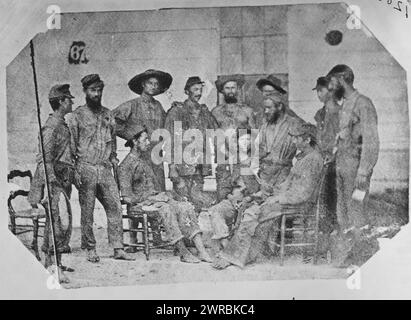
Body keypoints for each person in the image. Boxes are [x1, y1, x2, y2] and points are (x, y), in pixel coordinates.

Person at [212, 123, 323, 270]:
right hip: (288, 201)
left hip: (297, 204)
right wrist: (268, 192)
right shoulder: (304, 158)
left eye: (296, 138)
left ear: (307, 140)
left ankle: (234, 257)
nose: (293, 142)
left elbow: (304, 193)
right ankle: (242, 254)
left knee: (253, 213)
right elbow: (287, 185)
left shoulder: (313, 159)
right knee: (251, 208)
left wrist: (278, 198)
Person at [118, 125, 213, 263]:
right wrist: (151, 198)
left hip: (156, 202)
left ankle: (202, 250)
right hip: (139, 206)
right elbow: (127, 198)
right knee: (166, 209)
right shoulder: (125, 166)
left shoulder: (144, 163)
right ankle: (183, 252)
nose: (148, 142)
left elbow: (153, 189)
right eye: (145, 140)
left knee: (185, 206)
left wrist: (163, 196)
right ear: (134, 141)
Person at [66, 74, 133, 263]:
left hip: (104, 168)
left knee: (115, 206)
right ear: (85, 91)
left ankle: (118, 247)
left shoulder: (108, 114)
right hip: (85, 167)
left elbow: (111, 140)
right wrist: (75, 169)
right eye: (93, 90)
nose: (97, 94)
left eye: (99, 90)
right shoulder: (76, 116)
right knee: (87, 210)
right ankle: (90, 248)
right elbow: (71, 145)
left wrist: (113, 161)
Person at [27, 84, 75, 283]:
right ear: (61, 102)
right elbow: (45, 160)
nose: (72, 102)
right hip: (53, 180)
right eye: (69, 99)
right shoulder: (51, 127)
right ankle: (52, 266)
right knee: (57, 223)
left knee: (60, 222)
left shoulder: (60, 124)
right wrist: (51, 185)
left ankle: (54, 263)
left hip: (62, 178)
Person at [326, 64, 379, 233]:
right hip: (342, 166)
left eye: (333, 82)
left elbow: (371, 141)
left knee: (356, 211)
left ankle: (361, 252)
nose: (331, 87)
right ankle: (347, 252)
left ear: (342, 80)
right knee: (343, 213)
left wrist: (363, 171)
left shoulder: (363, 103)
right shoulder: (344, 105)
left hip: (356, 169)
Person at [112, 69, 173, 191]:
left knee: (159, 194)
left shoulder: (158, 106)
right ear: (143, 84)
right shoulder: (132, 104)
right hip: (140, 156)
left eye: (156, 84)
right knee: (140, 193)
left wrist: (174, 110)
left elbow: (167, 125)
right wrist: (134, 133)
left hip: (157, 157)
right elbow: (111, 121)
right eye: (150, 83)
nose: (153, 86)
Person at [164, 76, 219, 211]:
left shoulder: (205, 112)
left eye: (200, 89)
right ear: (186, 91)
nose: (198, 93)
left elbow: (216, 132)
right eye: (195, 89)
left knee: (197, 202)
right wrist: (171, 167)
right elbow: (170, 139)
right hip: (181, 167)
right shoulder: (177, 111)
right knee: (182, 203)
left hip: (200, 166)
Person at [207, 129, 260, 250]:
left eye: (248, 139)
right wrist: (231, 198)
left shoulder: (257, 160)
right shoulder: (229, 161)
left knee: (248, 217)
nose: (245, 143)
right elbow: (223, 186)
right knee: (216, 211)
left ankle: (241, 249)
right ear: (236, 142)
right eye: (242, 140)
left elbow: (262, 186)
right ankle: (226, 244)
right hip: (233, 200)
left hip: (253, 201)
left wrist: (250, 198)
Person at [212, 74, 256, 201]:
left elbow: (254, 137)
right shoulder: (216, 112)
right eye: (227, 88)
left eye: (233, 88)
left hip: (242, 160)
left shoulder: (247, 111)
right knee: (223, 194)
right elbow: (214, 136)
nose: (231, 91)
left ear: (238, 89)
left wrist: (250, 158)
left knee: (242, 196)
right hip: (223, 159)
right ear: (222, 90)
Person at [251, 95, 301, 195]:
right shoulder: (265, 126)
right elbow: (260, 150)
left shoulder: (293, 123)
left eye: (269, 108)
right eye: (265, 108)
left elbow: (306, 143)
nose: (266, 111)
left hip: (283, 175)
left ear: (279, 107)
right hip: (264, 175)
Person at [313, 76, 340, 234]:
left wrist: (333, 154)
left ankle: (336, 228)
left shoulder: (338, 112)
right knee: (323, 194)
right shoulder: (320, 113)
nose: (318, 94)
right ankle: (325, 229)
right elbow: (318, 136)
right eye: (317, 91)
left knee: (334, 193)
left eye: (320, 91)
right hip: (322, 158)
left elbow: (340, 137)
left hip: (336, 160)